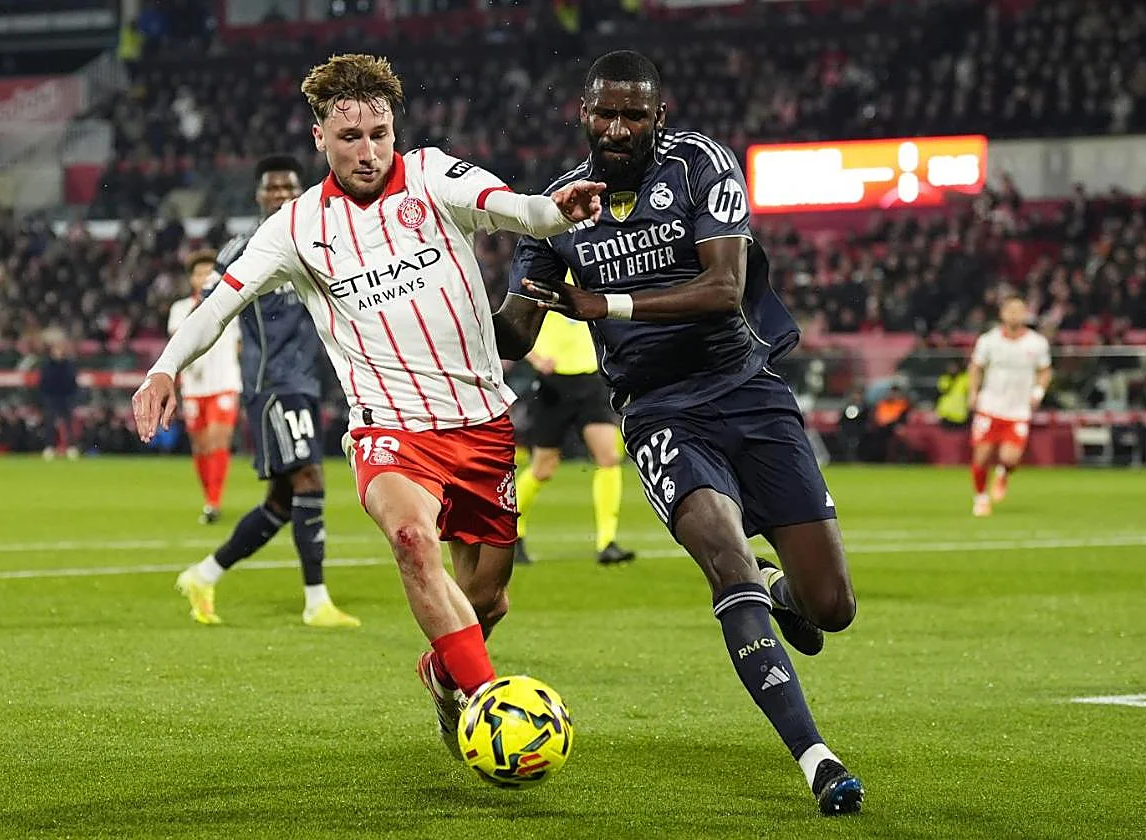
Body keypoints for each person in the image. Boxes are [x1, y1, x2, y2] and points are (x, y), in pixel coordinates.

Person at [132, 54, 605, 756]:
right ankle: (488, 705)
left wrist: (552, 211)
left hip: (479, 423)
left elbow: (518, 209)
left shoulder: (434, 175)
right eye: (350, 137)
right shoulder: (295, 226)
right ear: (319, 135)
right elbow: (220, 303)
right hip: (389, 429)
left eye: (380, 133)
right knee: (413, 541)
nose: (369, 150)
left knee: (488, 600)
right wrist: (166, 365)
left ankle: (443, 674)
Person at [495, 50, 863, 815]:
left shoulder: (700, 165)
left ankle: (779, 587)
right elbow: (514, 330)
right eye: (605, 112)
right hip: (659, 411)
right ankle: (817, 759)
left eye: (635, 113)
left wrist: (611, 307)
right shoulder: (556, 209)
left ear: (659, 116)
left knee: (831, 607)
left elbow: (725, 288)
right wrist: (446, 293)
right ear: (584, 114)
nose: (618, 127)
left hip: (747, 393)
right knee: (725, 564)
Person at [169, 155, 361, 628]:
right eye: (272, 189)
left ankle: (203, 574)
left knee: (280, 502)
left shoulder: (316, 239)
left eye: (288, 188)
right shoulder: (243, 248)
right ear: (258, 195)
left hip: (305, 382)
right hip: (272, 383)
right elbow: (210, 304)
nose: (280, 196)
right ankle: (316, 601)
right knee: (310, 480)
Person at [515, 288, 635, 567]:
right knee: (543, 469)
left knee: (608, 458)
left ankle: (607, 542)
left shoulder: (591, 276)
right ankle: (513, 533)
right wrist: (534, 358)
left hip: (591, 380)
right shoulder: (541, 280)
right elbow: (515, 326)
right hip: (553, 383)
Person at [167, 248, 242, 524]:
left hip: (224, 382)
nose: (204, 278)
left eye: (209, 273)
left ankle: (214, 501)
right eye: (199, 273)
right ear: (191, 279)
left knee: (217, 439)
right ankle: (208, 496)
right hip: (194, 386)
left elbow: (239, 344)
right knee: (199, 446)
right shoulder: (179, 309)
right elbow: (179, 343)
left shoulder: (232, 305)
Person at [967, 296, 1052, 516]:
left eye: (1019, 310)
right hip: (990, 405)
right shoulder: (988, 340)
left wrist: (1038, 392)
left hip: (1018, 409)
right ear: (1001, 314)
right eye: (1010, 310)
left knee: (1010, 458)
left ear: (1026, 314)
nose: (1014, 314)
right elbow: (976, 367)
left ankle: (1003, 473)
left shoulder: (1037, 343)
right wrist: (973, 392)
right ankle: (981, 498)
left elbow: (1045, 371)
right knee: (982, 454)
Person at [38, 338, 79, 461]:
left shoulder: (68, 365)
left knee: (68, 424)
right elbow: (43, 382)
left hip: (65, 398)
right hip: (51, 397)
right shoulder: (47, 365)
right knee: (50, 424)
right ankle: (49, 447)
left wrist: (70, 395)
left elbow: (72, 382)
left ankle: (71, 448)